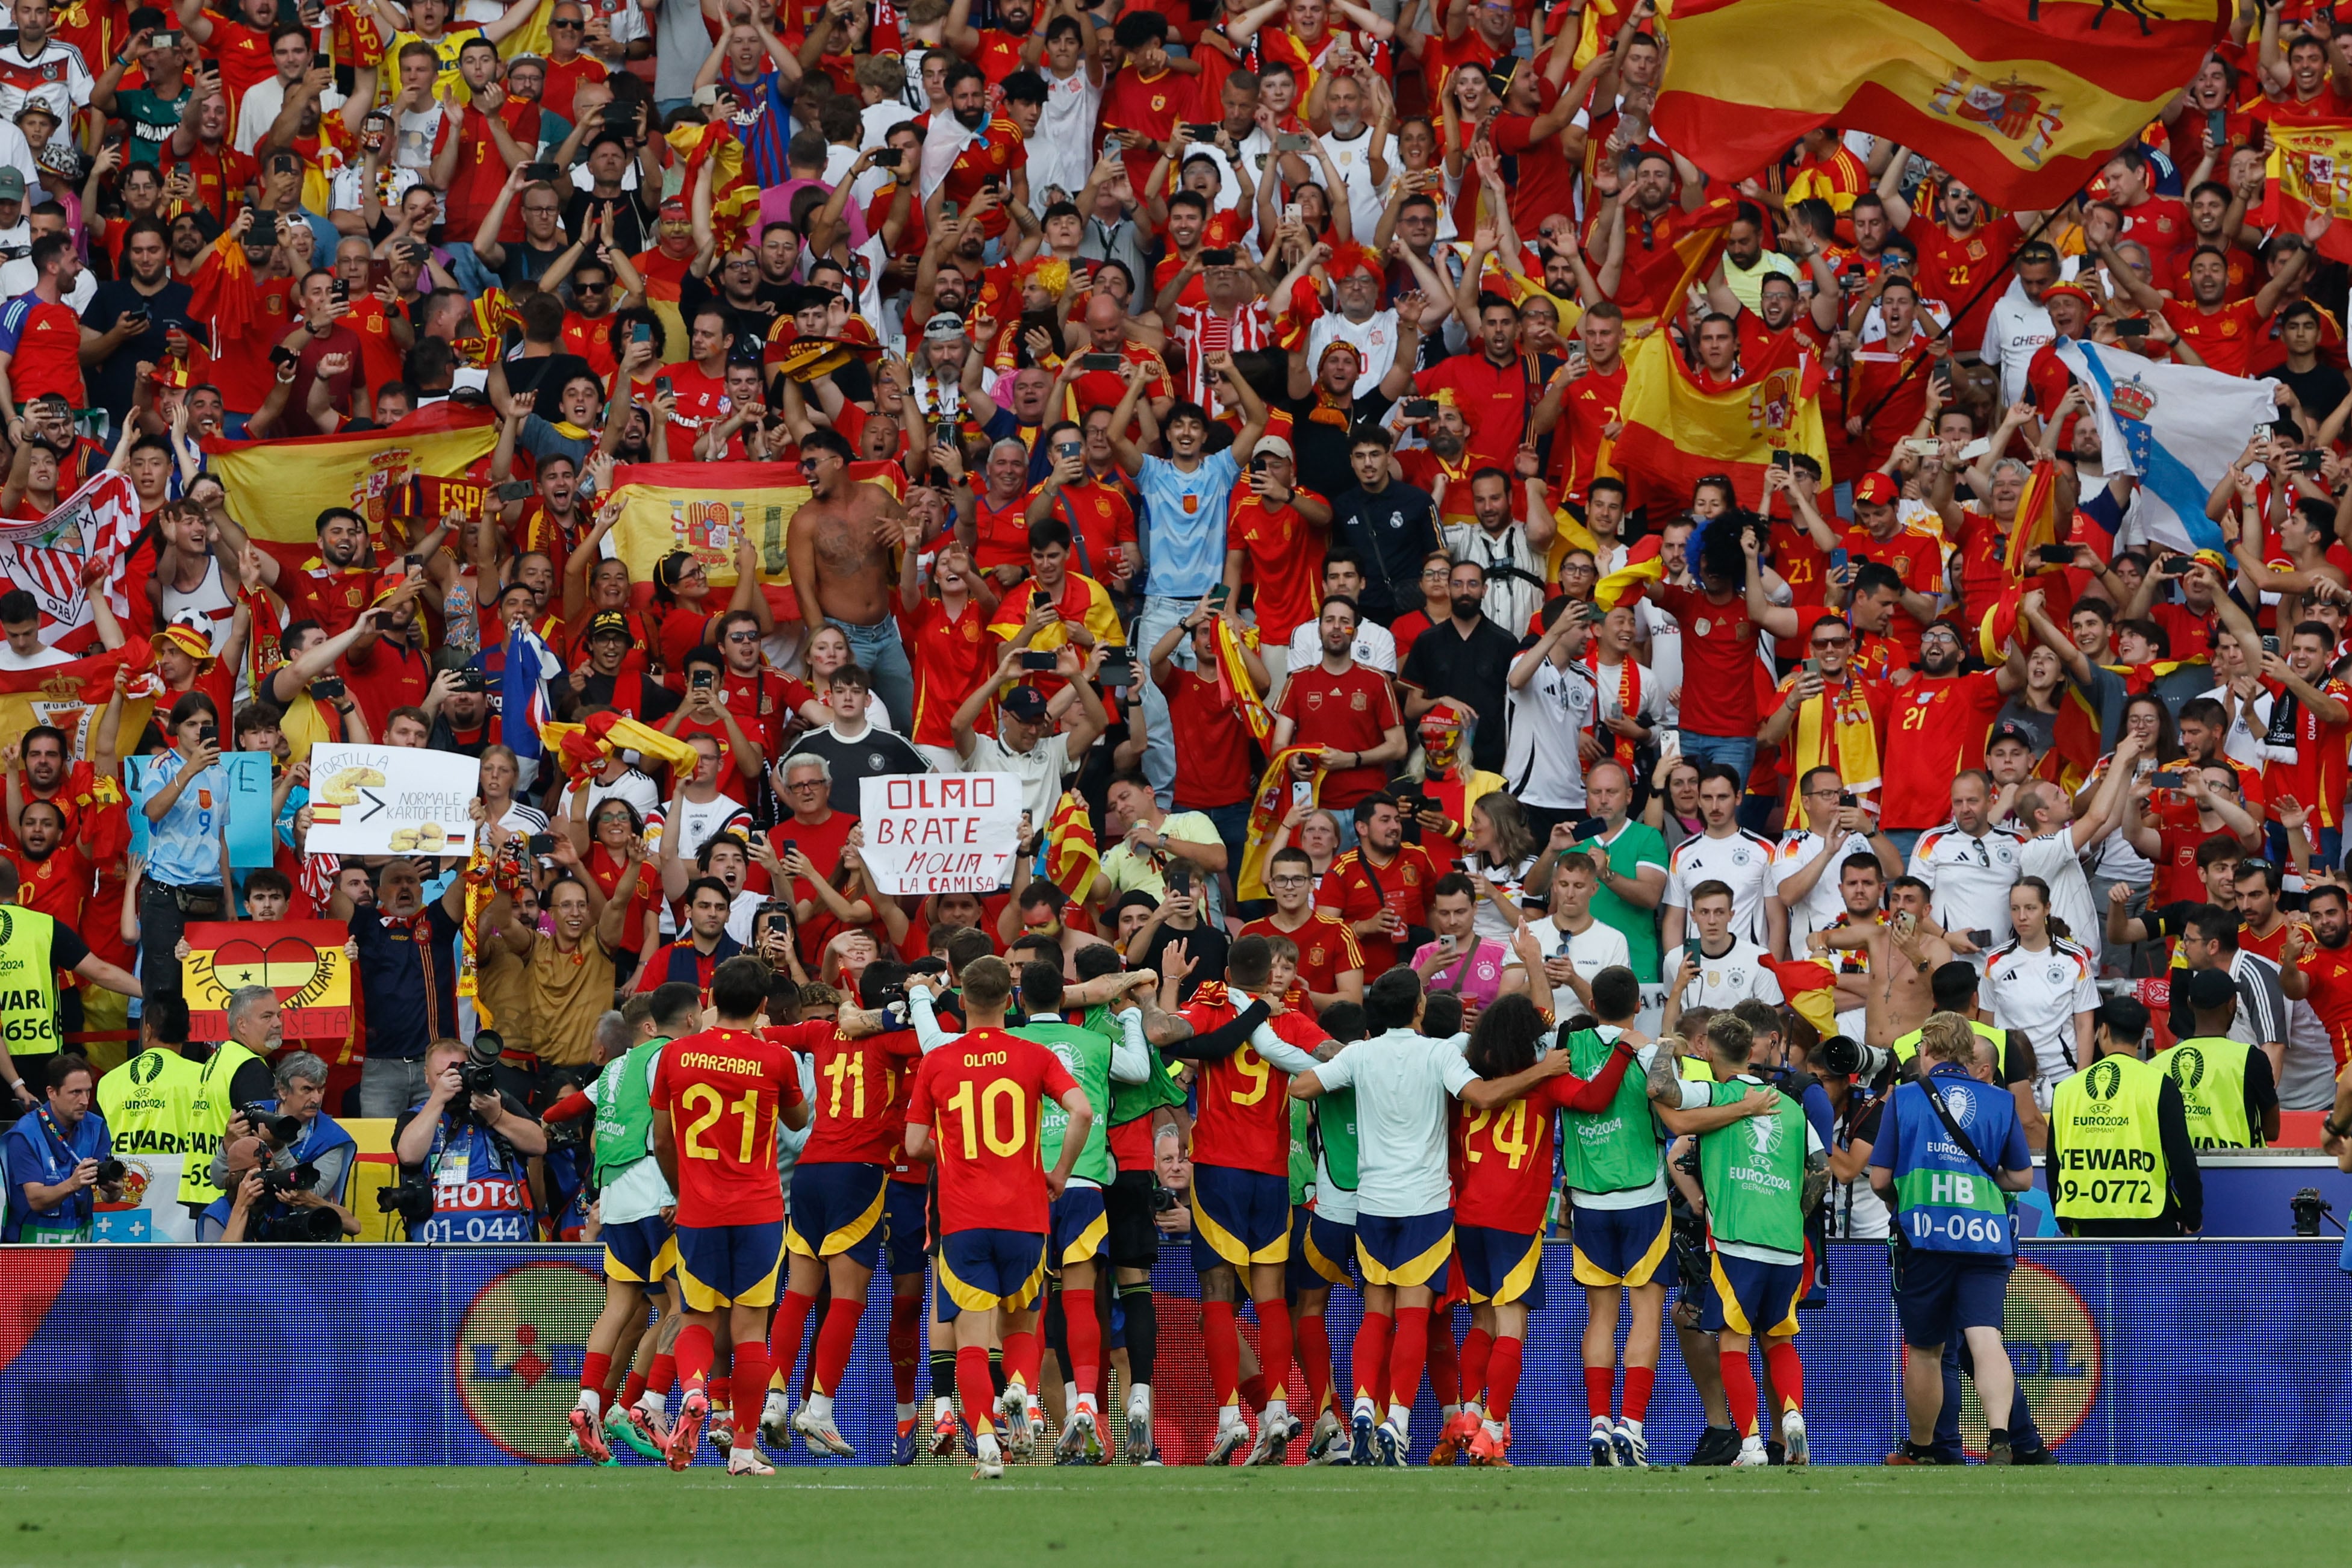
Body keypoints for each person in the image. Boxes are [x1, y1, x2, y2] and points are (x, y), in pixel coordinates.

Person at [1289, 966, 1575, 1467]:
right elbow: (1483, 1095)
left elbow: (1302, 1088)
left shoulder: (1360, 1053)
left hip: (1373, 1203)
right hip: (1426, 1204)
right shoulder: (1440, 1052)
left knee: (1376, 1313)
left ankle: (1360, 1404)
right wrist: (1543, 1071)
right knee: (1416, 1315)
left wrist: (1350, 1066)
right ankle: (1397, 1422)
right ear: (1420, 1008)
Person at [901, 955, 1092, 1481]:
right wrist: (1058, 1172)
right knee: (1022, 1328)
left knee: (970, 1339)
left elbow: (914, 1143)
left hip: (962, 1220)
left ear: (961, 1001)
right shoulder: (1033, 1055)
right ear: (1012, 1001)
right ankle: (1020, 1392)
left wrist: (956, 1148)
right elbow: (1082, 1111)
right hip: (1026, 1215)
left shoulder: (937, 1062)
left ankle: (985, 1441)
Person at [1445, 992, 1643, 1465]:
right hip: (1514, 1218)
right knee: (1512, 1323)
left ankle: (1469, 1413)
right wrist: (1624, 1051)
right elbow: (1595, 1099)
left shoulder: (1465, 1087)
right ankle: (1492, 1429)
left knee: (1481, 1321)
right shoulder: (1546, 1084)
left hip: (1467, 1215)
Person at [753, 961, 923, 1461]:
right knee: (847, 1300)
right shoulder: (893, 1039)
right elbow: (939, 1040)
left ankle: (776, 1399)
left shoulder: (818, 1032)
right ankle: (820, 1411)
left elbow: (764, 1032)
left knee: (797, 1295)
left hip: (809, 1172)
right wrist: (920, 1001)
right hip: (860, 1171)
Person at [649, 956, 812, 1476]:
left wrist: (683, 1190)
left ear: (711, 995)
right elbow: (798, 1118)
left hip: (699, 1209)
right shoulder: (776, 1059)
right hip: (760, 1210)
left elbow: (662, 1137)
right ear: (764, 1005)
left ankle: (696, 1390)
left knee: (698, 1316)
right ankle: (742, 1449)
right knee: (750, 1331)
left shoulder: (675, 1056)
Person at [1870, 1012, 2034, 1467]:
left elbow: (1880, 1178)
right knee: (1986, 1339)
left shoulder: (1904, 1099)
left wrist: (1897, 1200)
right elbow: (2022, 1177)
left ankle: (1922, 1449)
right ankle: (2001, 1438)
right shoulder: (2001, 1102)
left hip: (1925, 1239)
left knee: (1926, 1350)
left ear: (1927, 1050)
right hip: (1986, 1237)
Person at [1669, 1010, 1829, 1468]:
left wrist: (1665, 1048)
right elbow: (1820, 1169)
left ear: (1708, 1051)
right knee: (1778, 1340)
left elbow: (1665, 1097)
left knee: (1733, 1342)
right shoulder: (1791, 1105)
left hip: (1736, 1239)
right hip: (1785, 1241)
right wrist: (1792, 1211)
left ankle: (1753, 1443)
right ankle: (1794, 1416)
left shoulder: (1715, 1095)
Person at [561, 986, 695, 1464]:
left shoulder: (614, 1069)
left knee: (624, 1308)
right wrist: (682, 1191)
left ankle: (590, 1405)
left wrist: (546, 1119)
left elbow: (574, 1117)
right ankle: (650, 1404)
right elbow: (668, 1130)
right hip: (656, 1194)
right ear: (655, 1027)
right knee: (683, 1306)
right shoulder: (667, 1056)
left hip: (614, 1199)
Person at [2047, 994, 2203, 1237]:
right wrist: (2192, 1216)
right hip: (2150, 1221)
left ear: (2104, 1030)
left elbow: (2055, 1163)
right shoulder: (2160, 1084)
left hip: (2086, 1222)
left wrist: (2064, 1222)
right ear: (2142, 1036)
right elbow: (2183, 1161)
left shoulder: (2067, 1090)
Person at [392, 1038, 548, 1246]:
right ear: (426, 1076)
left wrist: (497, 1116)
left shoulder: (499, 1102)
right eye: (442, 1075)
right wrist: (438, 1100)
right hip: (436, 1253)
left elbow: (539, 1144)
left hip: (508, 1248)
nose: (452, 1081)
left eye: (458, 1072)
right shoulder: (416, 1116)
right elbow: (409, 1156)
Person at [2151, 966, 2282, 1150]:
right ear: (2232, 1005)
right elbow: (2272, 1130)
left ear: (2190, 1003)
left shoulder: (2158, 1064)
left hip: (2178, 1172)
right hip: (2237, 1171)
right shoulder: (2250, 1058)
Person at [2, 1055, 123, 1242]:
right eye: (76, 1092)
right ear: (52, 1093)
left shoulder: (97, 1127)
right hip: (30, 1251)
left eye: (88, 1092)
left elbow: (109, 1195)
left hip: (79, 1247)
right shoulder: (24, 1135)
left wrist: (114, 1190)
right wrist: (72, 1184)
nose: (85, 1101)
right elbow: (36, 1200)